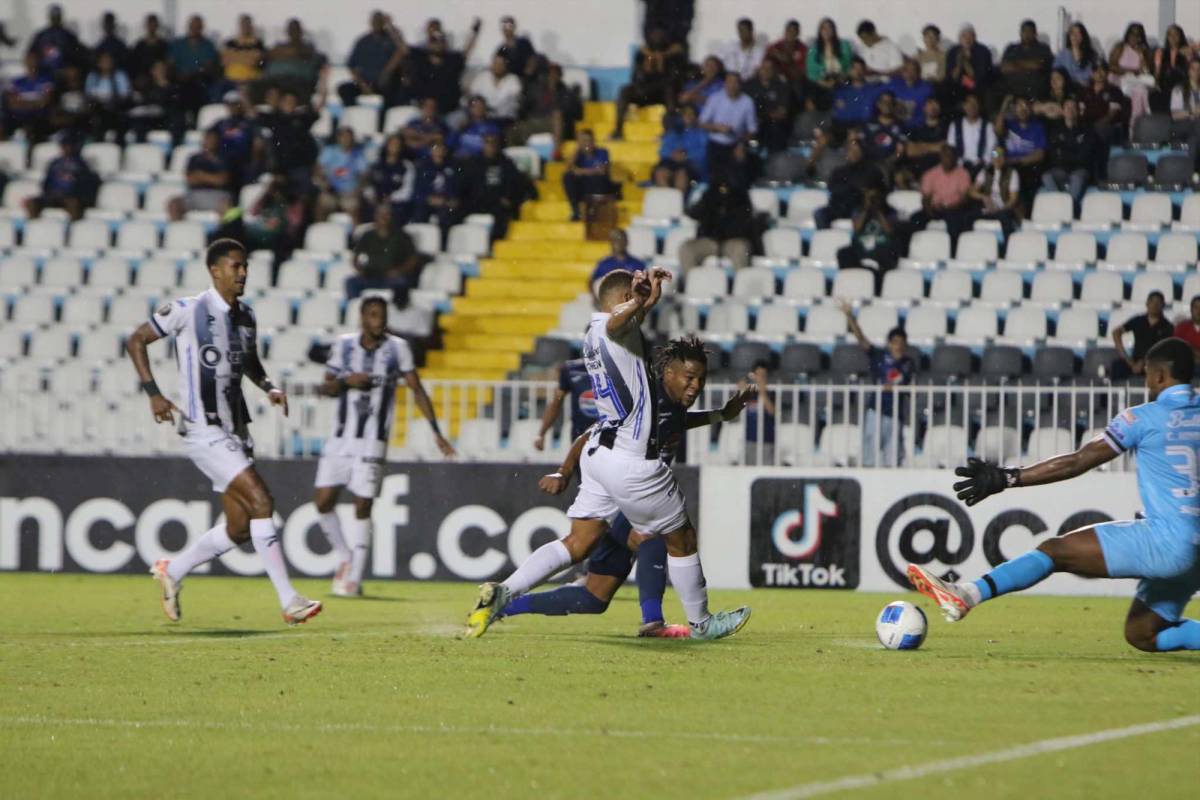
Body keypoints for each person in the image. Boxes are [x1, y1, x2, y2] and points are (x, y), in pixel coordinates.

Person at [464, 267, 752, 642]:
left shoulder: (594, 335)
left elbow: (628, 337)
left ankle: (505, 591)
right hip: (632, 459)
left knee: (577, 543)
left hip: (600, 453)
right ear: (620, 302)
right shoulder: (611, 328)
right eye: (631, 303)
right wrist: (636, 302)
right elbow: (620, 323)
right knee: (680, 539)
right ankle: (700, 623)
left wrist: (643, 305)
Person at [910, 337, 1200, 654]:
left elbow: (1078, 461)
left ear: (1159, 376)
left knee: (1054, 551)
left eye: (1147, 373)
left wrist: (1009, 478)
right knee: (1142, 633)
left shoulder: (1143, 417)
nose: (1146, 382)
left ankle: (967, 594)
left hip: (1169, 541)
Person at [505, 337, 757, 636]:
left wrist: (721, 415)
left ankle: (503, 605)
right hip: (623, 492)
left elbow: (676, 422)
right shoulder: (645, 402)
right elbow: (589, 434)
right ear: (669, 374)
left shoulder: (670, 404)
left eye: (701, 379)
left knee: (593, 597)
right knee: (658, 536)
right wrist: (564, 472)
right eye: (690, 378)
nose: (696, 386)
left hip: (623, 495)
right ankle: (662, 622)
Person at [129, 239, 322, 626]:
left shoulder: (246, 315)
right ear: (215, 271)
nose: (243, 273)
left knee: (238, 529)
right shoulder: (187, 310)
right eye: (236, 267)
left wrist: (268, 387)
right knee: (262, 502)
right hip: (203, 430)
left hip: (237, 429)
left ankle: (174, 571)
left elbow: (249, 360)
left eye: (245, 266)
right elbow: (136, 340)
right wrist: (154, 394)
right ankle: (289, 600)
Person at [314, 296, 454, 598]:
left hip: (373, 441)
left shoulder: (397, 348)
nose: (379, 321)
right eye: (374, 315)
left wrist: (436, 432)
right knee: (323, 501)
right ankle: (345, 555)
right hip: (340, 439)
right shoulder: (344, 345)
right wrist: (347, 381)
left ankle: (353, 577)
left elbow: (416, 388)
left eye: (383, 315)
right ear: (363, 318)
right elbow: (325, 387)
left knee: (363, 504)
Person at [841, 302, 915, 467]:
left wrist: (892, 385)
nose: (899, 346)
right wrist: (850, 316)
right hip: (876, 411)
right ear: (889, 343)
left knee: (893, 458)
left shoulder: (908, 363)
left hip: (896, 415)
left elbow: (902, 383)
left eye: (902, 343)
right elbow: (861, 339)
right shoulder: (879, 356)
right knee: (870, 456)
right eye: (895, 342)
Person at [612, 26, 685, 141]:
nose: (657, 38)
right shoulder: (642, 54)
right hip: (644, 91)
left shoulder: (674, 54)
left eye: (660, 35)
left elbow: (674, 78)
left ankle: (668, 132)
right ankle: (618, 130)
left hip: (663, 93)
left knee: (670, 91)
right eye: (654, 34)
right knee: (625, 90)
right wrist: (645, 69)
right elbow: (635, 77)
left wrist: (662, 63)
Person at [459, 131, 532, 240]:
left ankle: (494, 244)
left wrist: (507, 197)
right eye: (487, 142)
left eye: (493, 143)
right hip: (478, 201)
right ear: (483, 144)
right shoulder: (473, 164)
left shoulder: (506, 163)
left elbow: (515, 182)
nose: (490, 146)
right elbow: (469, 186)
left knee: (502, 214)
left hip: (498, 203)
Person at [346, 204, 426, 298]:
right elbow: (355, 256)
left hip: (392, 278)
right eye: (380, 214)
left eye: (386, 214)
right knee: (351, 283)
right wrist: (360, 270)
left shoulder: (402, 236)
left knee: (402, 284)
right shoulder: (368, 236)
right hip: (370, 276)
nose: (383, 218)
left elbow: (413, 259)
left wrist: (399, 271)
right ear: (375, 216)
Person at [679, 178, 755, 271]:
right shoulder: (710, 194)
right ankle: (691, 283)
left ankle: (741, 283)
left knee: (742, 249)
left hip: (732, 241)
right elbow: (694, 213)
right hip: (709, 240)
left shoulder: (741, 196)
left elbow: (743, 222)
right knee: (687, 249)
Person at [25, 134, 99, 221]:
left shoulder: (81, 164)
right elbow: (46, 183)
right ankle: (34, 228)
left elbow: (86, 184)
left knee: (73, 204)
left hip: (71, 197)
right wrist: (51, 193)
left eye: (70, 145)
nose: (67, 147)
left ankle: (73, 230)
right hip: (53, 196)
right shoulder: (55, 163)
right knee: (32, 202)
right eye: (65, 145)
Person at [1042, 98, 1099, 209]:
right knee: (1047, 176)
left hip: (1080, 169)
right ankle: (1059, 206)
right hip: (1061, 169)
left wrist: (1064, 153)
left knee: (1077, 177)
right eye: (1067, 107)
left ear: (1078, 111)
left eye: (1073, 107)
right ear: (1062, 111)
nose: (1070, 110)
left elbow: (1085, 156)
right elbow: (1054, 156)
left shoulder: (1087, 129)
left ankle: (1068, 209)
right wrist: (1073, 152)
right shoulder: (1056, 130)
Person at [698, 72, 757, 180]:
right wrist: (716, 127)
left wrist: (742, 144)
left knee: (736, 178)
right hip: (716, 144)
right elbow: (701, 123)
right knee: (716, 179)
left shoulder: (747, 102)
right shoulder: (715, 98)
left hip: (736, 144)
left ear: (740, 84)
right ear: (725, 83)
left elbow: (752, 129)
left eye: (736, 82)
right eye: (730, 82)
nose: (732, 85)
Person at [509, 63, 581, 150]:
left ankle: (557, 150)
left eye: (556, 74)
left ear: (560, 76)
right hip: (535, 122)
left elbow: (575, 114)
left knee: (557, 116)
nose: (553, 76)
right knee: (512, 131)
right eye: (550, 74)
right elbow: (524, 106)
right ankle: (514, 155)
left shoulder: (566, 93)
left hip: (556, 124)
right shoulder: (536, 90)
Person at [836, 185, 901, 280]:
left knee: (891, 252)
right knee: (843, 252)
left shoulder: (891, 212)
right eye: (870, 197)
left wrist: (879, 212)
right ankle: (858, 274)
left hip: (882, 247)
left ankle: (877, 277)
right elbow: (857, 228)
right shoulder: (858, 211)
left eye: (875, 197)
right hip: (861, 247)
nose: (873, 200)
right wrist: (866, 209)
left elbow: (889, 231)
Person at [911, 144, 973, 241]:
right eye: (944, 156)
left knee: (956, 221)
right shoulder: (931, 174)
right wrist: (930, 211)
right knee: (916, 218)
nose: (947, 159)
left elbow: (964, 199)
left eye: (950, 156)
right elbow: (925, 198)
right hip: (935, 209)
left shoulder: (963, 174)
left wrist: (950, 207)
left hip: (954, 209)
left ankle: (952, 251)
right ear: (940, 157)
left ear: (955, 157)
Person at [535, 358, 598, 452]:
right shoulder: (571, 369)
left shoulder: (619, 368)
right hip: (580, 439)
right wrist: (541, 434)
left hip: (612, 439)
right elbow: (556, 403)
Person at [339, 11, 398, 108]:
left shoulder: (391, 40)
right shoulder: (363, 42)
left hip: (385, 84)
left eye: (379, 21)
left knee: (394, 93)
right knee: (343, 89)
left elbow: (403, 51)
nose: (376, 24)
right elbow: (351, 65)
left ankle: (382, 119)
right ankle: (356, 113)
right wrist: (362, 84)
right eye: (374, 21)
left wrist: (391, 26)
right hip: (365, 83)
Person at [168, 15, 221, 122]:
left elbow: (209, 66)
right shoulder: (178, 44)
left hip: (200, 82)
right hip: (179, 82)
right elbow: (170, 63)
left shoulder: (208, 45)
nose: (195, 29)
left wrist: (192, 74)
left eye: (198, 26)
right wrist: (178, 75)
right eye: (193, 26)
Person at [1112, 291, 1175, 379]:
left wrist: (1144, 362)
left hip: (1155, 364)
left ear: (1163, 305)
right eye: (1152, 302)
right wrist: (1128, 359)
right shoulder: (1138, 320)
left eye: (1158, 302)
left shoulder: (1167, 326)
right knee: (1117, 367)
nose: (1155, 305)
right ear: (1147, 304)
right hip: (1134, 362)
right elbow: (1116, 332)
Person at [316, 127, 370, 221]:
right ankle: (320, 230)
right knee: (322, 206)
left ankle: (354, 234)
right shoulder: (329, 151)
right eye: (343, 137)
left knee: (354, 209)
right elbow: (318, 169)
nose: (346, 139)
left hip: (349, 191)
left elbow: (364, 174)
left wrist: (358, 189)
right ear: (338, 138)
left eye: (349, 137)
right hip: (331, 190)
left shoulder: (358, 154)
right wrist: (324, 183)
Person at [411, 140, 461, 241]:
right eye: (436, 148)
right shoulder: (423, 166)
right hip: (426, 201)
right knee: (419, 214)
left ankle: (443, 244)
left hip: (445, 203)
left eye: (441, 149)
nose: (438, 151)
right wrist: (428, 198)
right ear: (431, 151)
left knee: (447, 216)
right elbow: (417, 189)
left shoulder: (452, 167)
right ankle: (419, 243)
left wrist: (451, 199)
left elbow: (455, 187)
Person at [967, 144, 1021, 235]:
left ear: (1005, 157)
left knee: (1006, 217)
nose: (997, 158)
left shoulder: (1012, 173)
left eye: (1001, 155)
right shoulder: (986, 171)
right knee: (968, 215)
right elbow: (972, 191)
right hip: (988, 208)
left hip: (1003, 209)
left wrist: (1000, 208)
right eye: (995, 154)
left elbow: (1013, 199)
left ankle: (1007, 247)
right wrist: (983, 197)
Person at [1, 52, 55, 144]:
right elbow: (12, 103)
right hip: (18, 116)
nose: (31, 64)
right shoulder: (18, 82)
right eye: (28, 61)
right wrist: (34, 102)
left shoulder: (46, 80)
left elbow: (45, 101)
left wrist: (22, 102)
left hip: (39, 117)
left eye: (33, 61)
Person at [562, 129, 615, 222]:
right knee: (568, 177)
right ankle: (576, 212)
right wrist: (576, 151)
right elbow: (568, 169)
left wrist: (581, 171)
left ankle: (595, 213)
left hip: (598, 185)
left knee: (600, 179)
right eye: (584, 141)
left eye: (589, 140)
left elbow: (602, 170)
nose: (587, 143)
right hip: (584, 186)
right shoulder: (578, 155)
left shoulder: (602, 152)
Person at [1003, 96, 1046, 208]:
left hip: (1028, 167)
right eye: (1019, 106)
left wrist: (1018, 160)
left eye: (1025, 106)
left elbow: (1040, 155)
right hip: (1009, 167)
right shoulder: (1009, 125)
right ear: (1014, 109)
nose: (1022, 109)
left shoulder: (1038, 126)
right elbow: (997, 130)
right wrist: (1003, 107)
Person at [744, 57, 793, 153]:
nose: (766, 71)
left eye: (769, 68)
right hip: (752, 123)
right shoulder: (748, 86)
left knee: (775, 127)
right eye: (763, 68)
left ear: (775, 71)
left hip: (772, 125)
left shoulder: (782, 87)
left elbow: (782, 113)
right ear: (759, 69)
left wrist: (762, 116)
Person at [1108, 22, 1153, 126]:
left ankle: (1139, 123)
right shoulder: (1120, 47)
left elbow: (1145, 71)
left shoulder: (1144, 50)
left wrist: (1141, 55)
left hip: (1135, 81)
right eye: (1132, 34)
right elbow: (1111, 66)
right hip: (1119, 79)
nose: (1135, 37)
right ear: (1128, 35)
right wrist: (1130, 71)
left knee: (1141, 91)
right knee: (1138, 90)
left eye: (1138, 35)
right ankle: (1133, 125)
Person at [27, 4, 87, 80]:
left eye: (57, 17)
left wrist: (73, 68)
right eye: (53, 17)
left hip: (64, 75)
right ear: (49, 17)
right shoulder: (41, 35)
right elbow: (30, 55)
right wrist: (32, 70)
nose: (55, 19)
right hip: (43, 74)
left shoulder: (68, 35)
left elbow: (79, 54)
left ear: (61, 17)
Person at [366, 133, 416, 225]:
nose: (394, 147)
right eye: (392, 144)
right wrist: (372, 196)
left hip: (396, 203)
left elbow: (407, 191)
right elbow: (368, 185)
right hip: (376, 201)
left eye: (397, 144)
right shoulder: (376, 164)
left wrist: (391, 198)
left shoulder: (407, 166)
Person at [999, 19, 1053, 102]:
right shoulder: (1011, 48)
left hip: (1036, 95)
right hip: (1013, 93)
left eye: (1030, 31)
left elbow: (1037, 65)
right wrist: (1028, 65)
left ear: (1035, 34)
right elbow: (1004, 67)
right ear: (1020, 33)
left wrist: (1014, 64)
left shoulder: (1043, 48)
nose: (1027, 34)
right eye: (1024, 31)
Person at [84, 51, 132, 143]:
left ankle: (119, 147)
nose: (106, 63)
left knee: (121, 120)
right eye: (103, 61)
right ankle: (97, 143)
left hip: (116, 108)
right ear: (98, 63)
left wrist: (111, 99)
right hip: (99, 109)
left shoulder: (119, 75)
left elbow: (125, 94)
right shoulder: (93, 76)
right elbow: (89, 94)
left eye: (108, 61)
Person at [654, 103, 707, 186]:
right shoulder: (674, 132)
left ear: (696, 117)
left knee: (681, 174)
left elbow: (703, 153)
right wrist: (673, 154)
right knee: (660, 173)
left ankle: (679, 196)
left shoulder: (701, 133)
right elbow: (663, 151)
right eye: (685, 114)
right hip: (672, 163)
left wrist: (686, 156)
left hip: (690, 164)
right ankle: (669, 197)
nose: (688, 116)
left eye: (691, 114)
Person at [806, 17, 854, 104]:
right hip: (821, 81)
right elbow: (811, 71)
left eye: (829, 28)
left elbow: (848, 65)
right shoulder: (814, 48)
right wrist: (824, 83)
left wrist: (840, 78)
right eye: (824, 28)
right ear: (820, 31)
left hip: (841, 79)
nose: (827, 31)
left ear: (834, 30)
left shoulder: (844, 45)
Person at [184, 129, 233, 213]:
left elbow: (222, 181)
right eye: (207, 138)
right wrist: (212, 178)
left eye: (212, 139)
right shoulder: (194, 158)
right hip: (195, 195)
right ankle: (179, 226)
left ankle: (223, 226)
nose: (209, 142)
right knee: (174, 204)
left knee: (226, 207)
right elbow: (190, 180)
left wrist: (200, 175)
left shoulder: (224, 159)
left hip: (218, 195)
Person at [945, 24, 994, 105]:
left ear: (975, 37)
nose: (967, 39)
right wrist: (959, 63)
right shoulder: (953, 51)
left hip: (977, 84)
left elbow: (979, 76)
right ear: (959, 39)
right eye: (964, 36)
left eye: (970, 36)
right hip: (958, 83)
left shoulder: (983, 51)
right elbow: (952, 76)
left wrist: (965, 61)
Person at [219, 14, 266, 95]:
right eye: (243, 24)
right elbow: (224, 61)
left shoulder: (258, 43)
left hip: (251, 80)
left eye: (248, 24)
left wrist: (235, 56)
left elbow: (254, 62)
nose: (246, 27)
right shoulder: (230, 43)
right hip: (230, 80)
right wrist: (247, 56)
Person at [469, 54, 522, 124]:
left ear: (505, 66)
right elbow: (472, 96)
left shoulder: (513, 79)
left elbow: (514, 101)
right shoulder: (482, 76)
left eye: (501, 64)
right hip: (481, 117)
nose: (498, 66)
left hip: (504, 119)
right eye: (495, 63)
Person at [740, 361, 775, 466]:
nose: (760, 378)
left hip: (766, 440)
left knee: (766, 472)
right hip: (749, 439)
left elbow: (772, 411)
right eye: (758, 375)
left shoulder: (772, 392)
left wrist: (763, 392)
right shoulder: (749, 392)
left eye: (763, 376)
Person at [1169, 58, 1200, 170]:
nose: (1196, 72)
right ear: (1188, 71)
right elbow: (1175, 115)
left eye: (1199, 69)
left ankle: (1190, 172)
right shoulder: (1179, 89)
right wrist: (1192, 112)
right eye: (1193, 69)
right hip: (1182, 125)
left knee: (1194, 139)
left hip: (1196, 129)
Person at [1154, 25, 1193, 111]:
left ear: (1180, 36)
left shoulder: (1187, 51)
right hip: (1165, 83)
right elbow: (1158, 72)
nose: (1173, 37)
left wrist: (1188, 55)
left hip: (1182, 82)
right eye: (1170, 35)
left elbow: (1191, 70)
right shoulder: (1161, 52)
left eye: (1176, 34)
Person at [889, 59, 935, 128]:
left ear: (919, 72)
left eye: (913, 70)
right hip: (895, 127)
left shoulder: (927, 88)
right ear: (901, 71)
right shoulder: (894, 83)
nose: (910, 73)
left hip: (918, 127)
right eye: (906, 70)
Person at [1054, 22, 1100, 88]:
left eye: (1078, 33)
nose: (1075, 36)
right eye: (1072, 33)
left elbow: (1092, 74)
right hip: (1067, 90)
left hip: (1086, 89)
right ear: (1069, 36)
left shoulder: (1091, 54)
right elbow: (1056, 74)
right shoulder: (1062, 55)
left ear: (1083, 36)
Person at [495, 15, 540, 82]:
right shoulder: (501, 49)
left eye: (509, 26)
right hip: (510, 82)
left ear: (514, 27)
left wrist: (527, 75)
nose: (507, 29)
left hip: (528, 80)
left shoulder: (524, 42)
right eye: (504, 26)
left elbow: (532, 60)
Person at [130, 13, 169, 90]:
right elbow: (134, 64)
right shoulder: (139, 45)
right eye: (150, 25)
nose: (151, 27)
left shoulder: (163, 44)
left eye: (154, 25)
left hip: (159, 76)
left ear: (157, 26)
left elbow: (166, 62)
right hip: (143, 78)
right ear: (146, 26)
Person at [1173, 296, 1200, 362]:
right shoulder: (1181, 327)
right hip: (1185, 366)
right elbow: (1176, 348)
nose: (1199, 311)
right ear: (1191, 309)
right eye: (1196, 307)